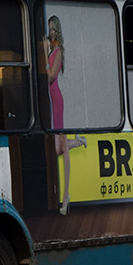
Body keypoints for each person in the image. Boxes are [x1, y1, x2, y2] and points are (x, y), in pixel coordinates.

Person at [47, 15, 85, 215]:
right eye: (49, 29)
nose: (51, 32)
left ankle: (66, 198)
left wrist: (43, 63)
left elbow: (52, 76)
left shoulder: (58, 52)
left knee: (64, 150)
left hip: (57, 103)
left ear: (58, 31)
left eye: (53, 29)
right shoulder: (51, 50)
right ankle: (78, 141)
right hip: (52, 102)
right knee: (57, 149)